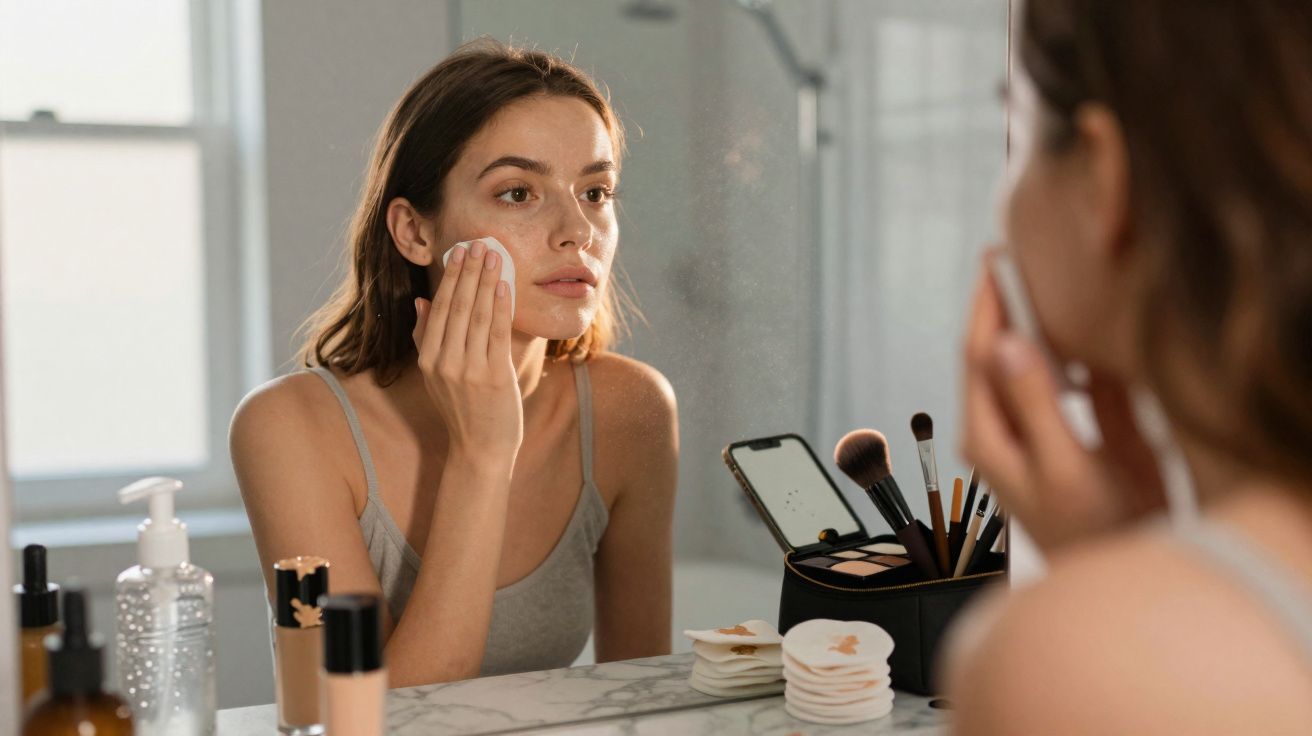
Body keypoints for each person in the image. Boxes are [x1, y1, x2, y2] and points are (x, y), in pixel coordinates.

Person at [230, 40, 678, 687]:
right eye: (519, 192)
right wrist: (483, 454)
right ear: (415, 232)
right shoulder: (288, 429)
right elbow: (375, 724)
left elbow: (643, 695)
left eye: (595, 190)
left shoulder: (630, 411)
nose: (577, 229)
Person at [947, 1, 1312, 732]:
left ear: (1103, 178)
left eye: (1015, 132)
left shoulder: (1071, 662)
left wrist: (1104, 596)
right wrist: (1123, 556)